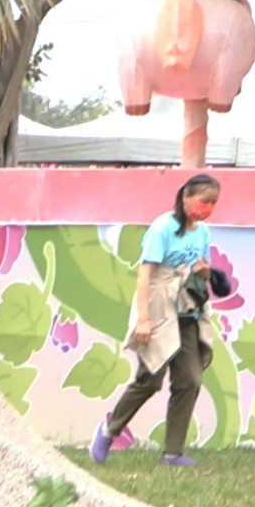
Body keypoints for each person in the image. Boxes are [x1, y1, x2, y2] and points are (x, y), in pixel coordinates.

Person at [94, 174, 225, 466]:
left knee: (190, 380)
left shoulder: (203, 232)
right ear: (186, 197)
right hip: (159, 308)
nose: (208, 208)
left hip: (187, 310)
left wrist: (205, 273)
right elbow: (145, 275)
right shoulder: (162, 228)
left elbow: (202, 268)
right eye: (204, 201)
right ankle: (108, 430)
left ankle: (173, 452)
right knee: (149, 380)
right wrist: (144, 319)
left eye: (214, 203)